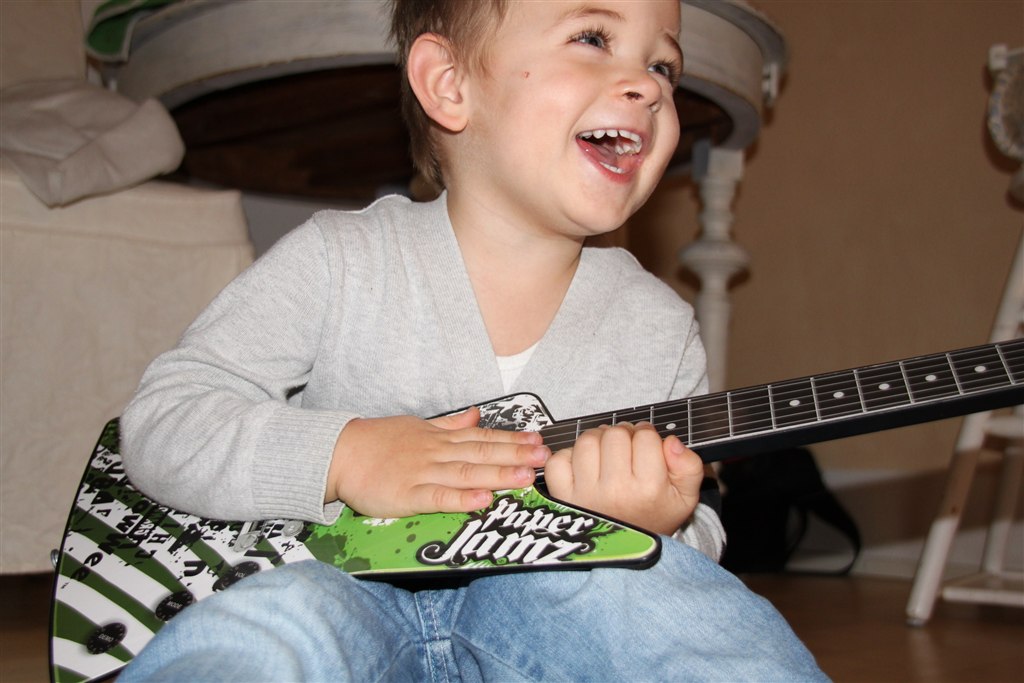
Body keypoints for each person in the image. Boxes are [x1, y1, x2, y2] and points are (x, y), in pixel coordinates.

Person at [118, 1, 828, 680]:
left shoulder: (661, 330)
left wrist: (654, 526)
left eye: (663, 66)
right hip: (346, 593)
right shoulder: (341, 259)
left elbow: (699, 529)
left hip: (554, 612)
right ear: (449, 83)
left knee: (672, 613)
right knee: (270, 625)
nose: (648, 86)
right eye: (592, 38)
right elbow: (167, 418)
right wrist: (344, 453)